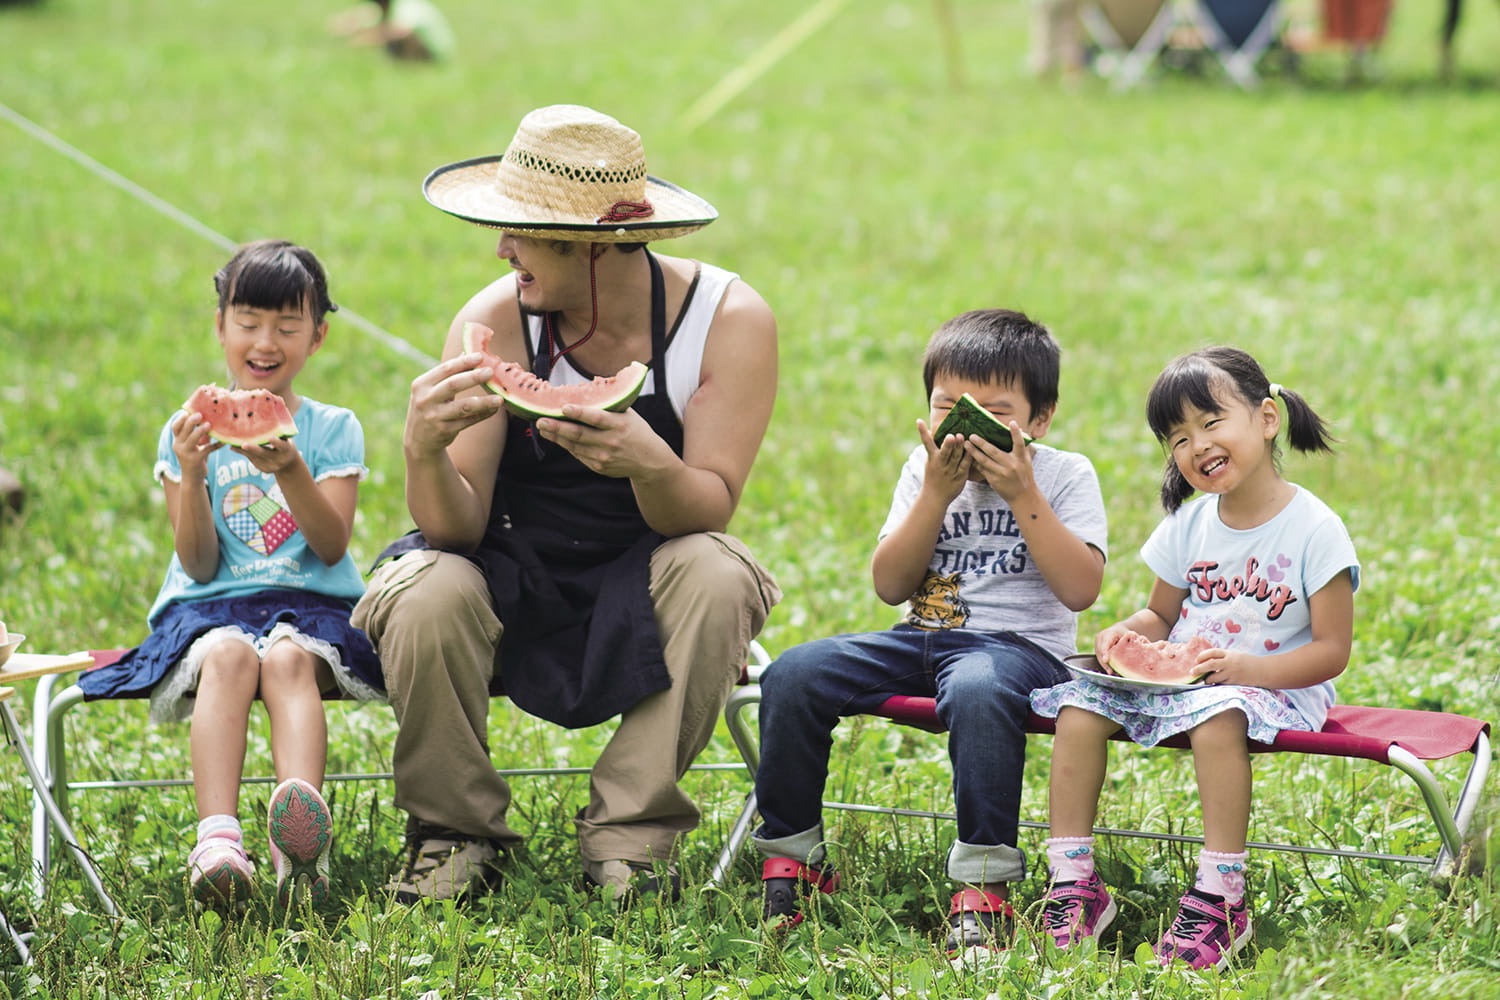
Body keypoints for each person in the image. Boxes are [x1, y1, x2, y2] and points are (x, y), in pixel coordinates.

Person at [353, 104, 780, 904]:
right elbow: (455, 529)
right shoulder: (492, 320)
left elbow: (707, 509)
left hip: (645, 566)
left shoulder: (728, 321)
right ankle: (454, 833)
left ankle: (630, 837)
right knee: (423, 590)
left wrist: (651, 466)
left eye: (519, 229)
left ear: (591, 242)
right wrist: (423, 449)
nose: (500, 248)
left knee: (722, 574)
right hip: (503, 565)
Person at [749, 309, 1107, 957]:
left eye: (994, 412)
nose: (965, 427)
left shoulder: (1064, 474)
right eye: (948, 408)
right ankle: (794, 860)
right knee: (793, 674)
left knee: (976, 685)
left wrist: (1023, 491)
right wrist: (935, 499)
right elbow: (890, 584)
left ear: (1041, 419)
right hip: (920, 637)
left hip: (1018, 653)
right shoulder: (922, 474)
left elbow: (1082, 587)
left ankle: (984, 887)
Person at [78, 240, 384, 910]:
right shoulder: (186, 432)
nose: (264, 341)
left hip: (310, 608)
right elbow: (196, 562)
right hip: (212, 607)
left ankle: (299, 848)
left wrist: (291, 470)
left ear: (319, 336)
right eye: (247, 322)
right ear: (220, 326)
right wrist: (191, 473)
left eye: (287, 325)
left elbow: (331, 547)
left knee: (286, 662)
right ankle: (217, 840)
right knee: (226, 657)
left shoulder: (335, 429)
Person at [1031, 346, 1358, 971]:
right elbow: (1159, 616)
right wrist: (1123, 635)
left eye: (1211, 424)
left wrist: (1248, 669)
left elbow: (1331, 652)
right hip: (1188, 684)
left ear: (1267, 418)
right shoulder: (1189, 523)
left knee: (1217, 717)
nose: (1195, 446)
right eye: (1177, 438)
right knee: (1076, 709)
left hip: (1278, 684)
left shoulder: (1315, 529)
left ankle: (1221, 894)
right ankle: (1073, 883)